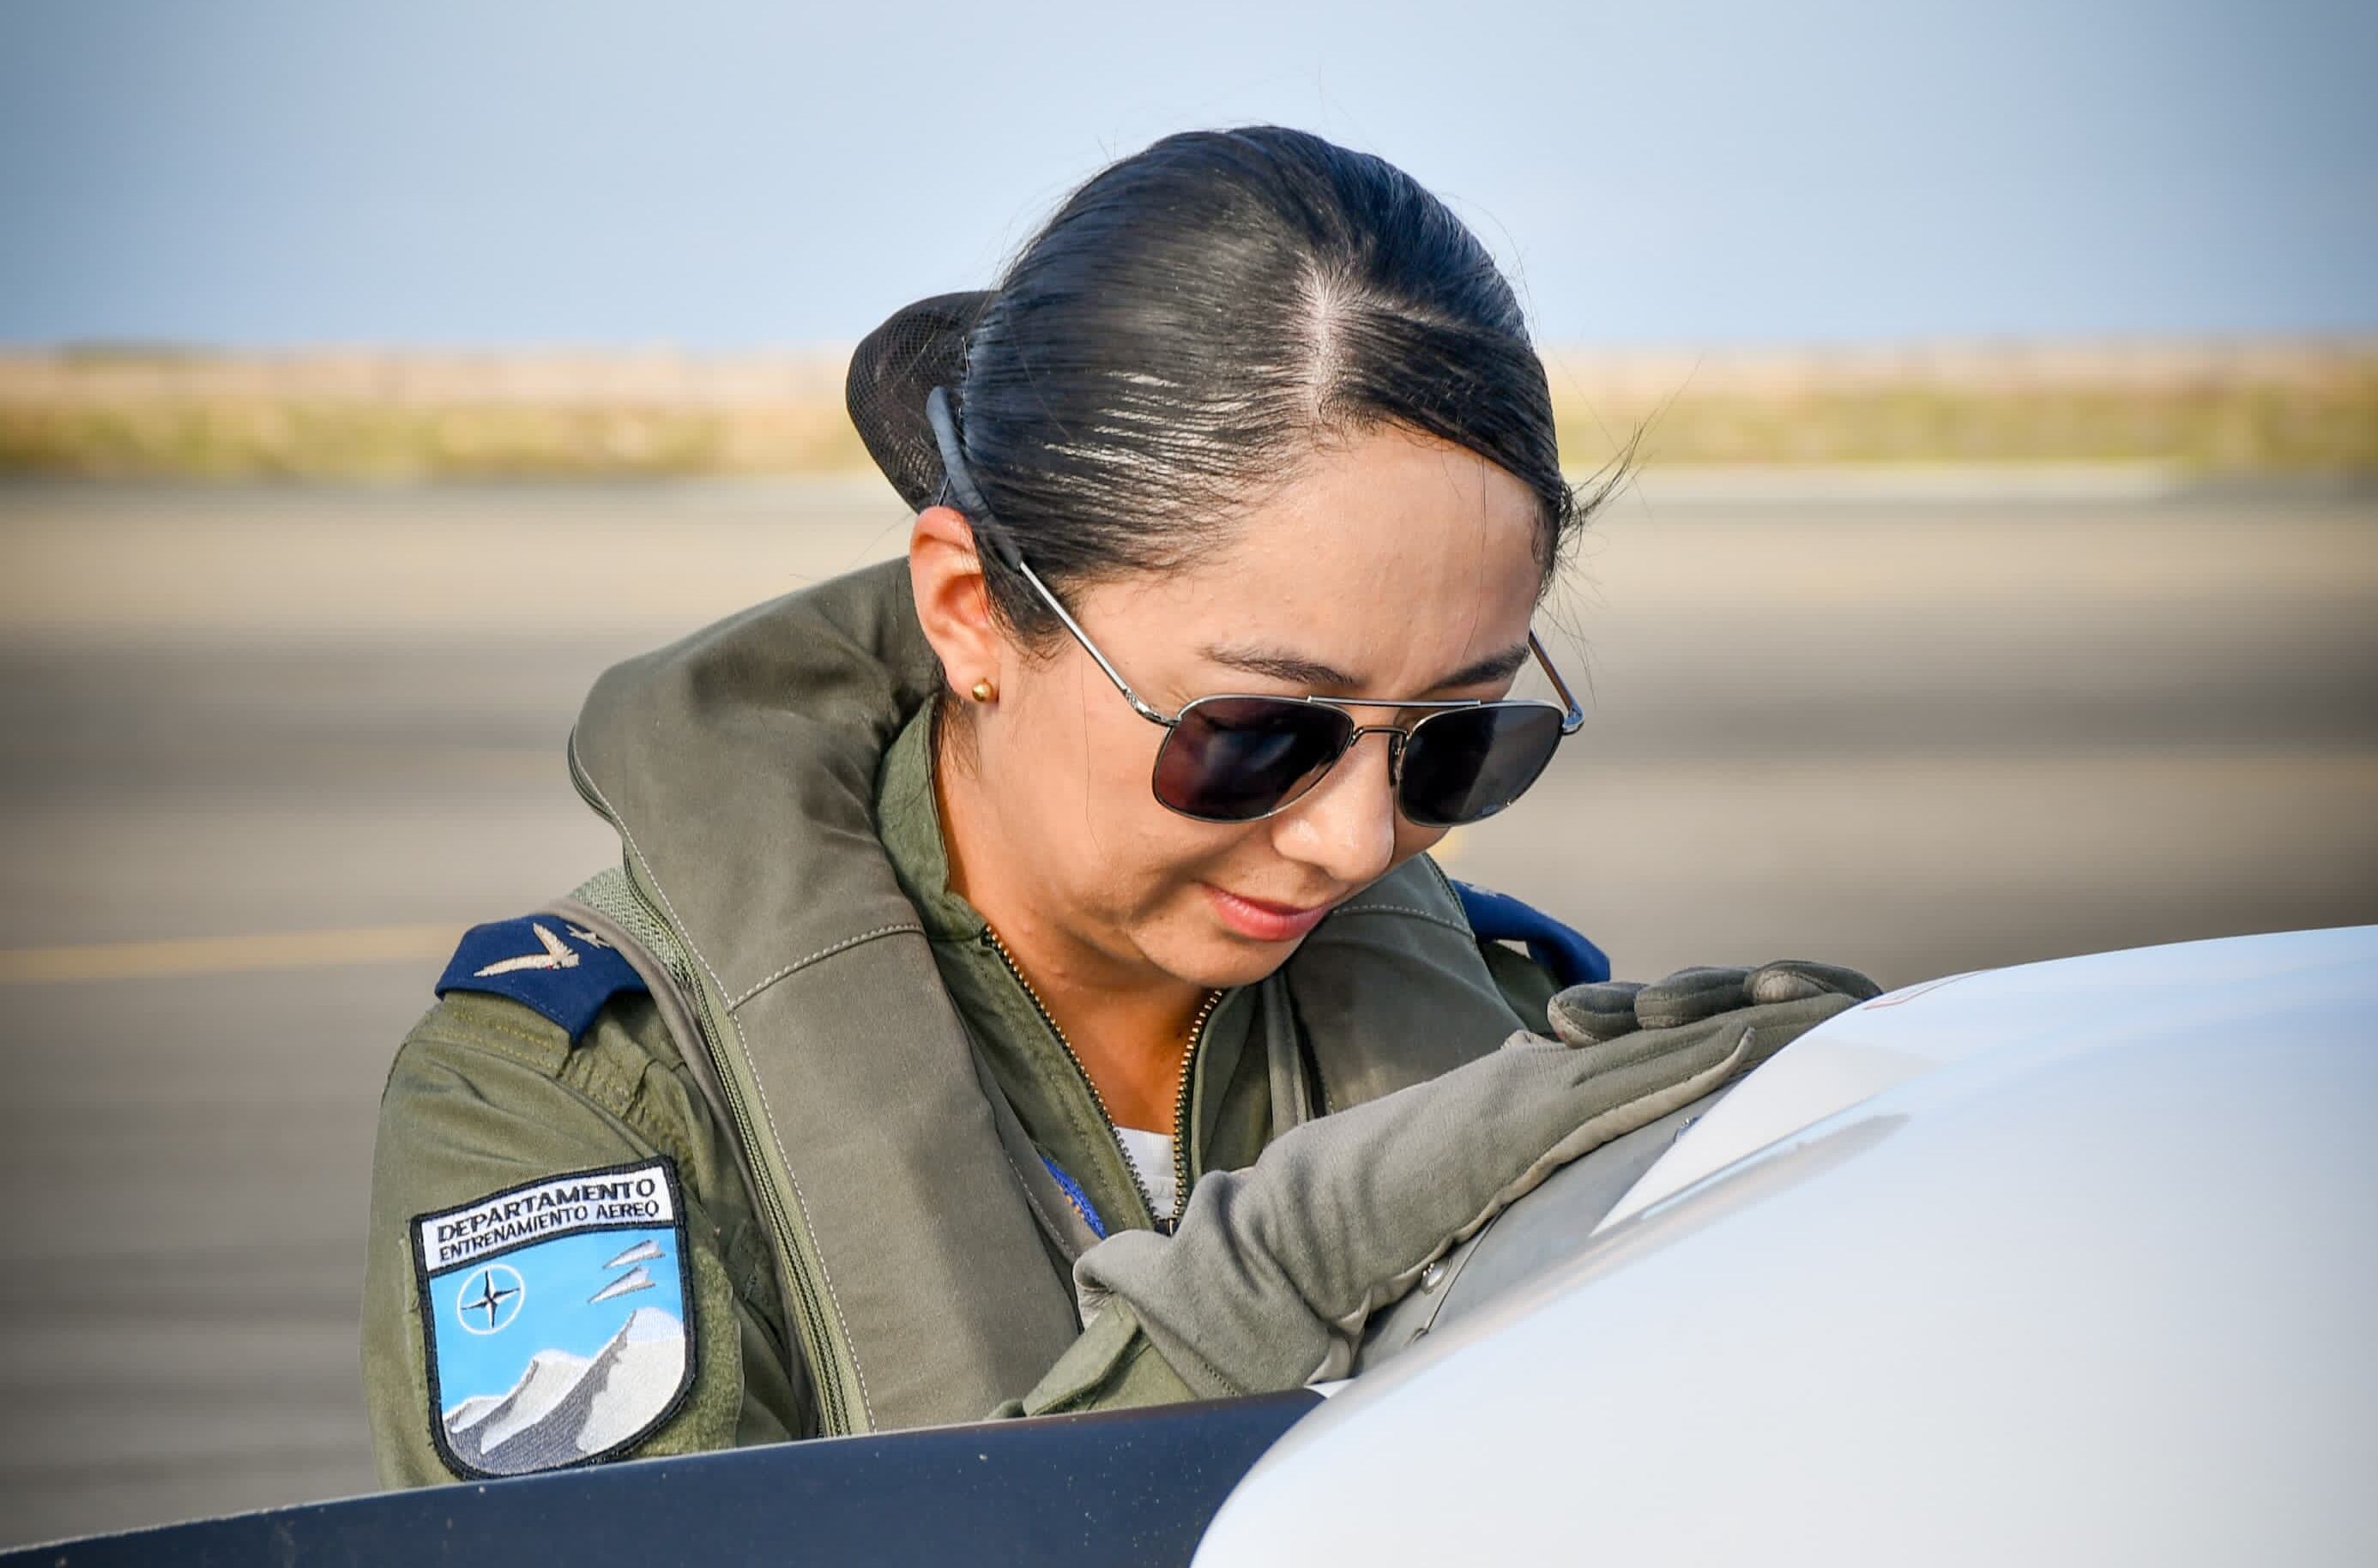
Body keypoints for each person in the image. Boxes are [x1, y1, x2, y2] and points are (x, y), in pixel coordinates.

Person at [362, 125, 1874, 1485]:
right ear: (970, 613)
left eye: (1456, 739)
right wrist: (1281, 1279)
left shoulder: (1521, 1039)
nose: (1354, 842)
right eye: (1256, 736)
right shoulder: (578, 1105)